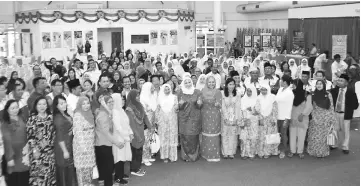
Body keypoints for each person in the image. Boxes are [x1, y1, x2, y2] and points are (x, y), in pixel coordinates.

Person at [27, 96, 56, 185]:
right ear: (36, 106)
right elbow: (30, 137)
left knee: (50, 176)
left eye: (44, 104)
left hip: (50, 152)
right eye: (39, 104)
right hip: (38, 153)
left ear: (47, 106)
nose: (42, 106)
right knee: (38, 177)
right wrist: (35, 150)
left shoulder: (51, 117)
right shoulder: (32, 119)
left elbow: (54, 133)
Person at [2, 100, 30, 186]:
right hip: (13, 154)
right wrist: (9, 158)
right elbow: (7, 141)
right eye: (12, 108)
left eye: (17, 107)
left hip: (24, 153)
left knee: (24, 177)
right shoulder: (5, 123)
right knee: (14, 179)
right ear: (7, 110)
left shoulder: (22, 118)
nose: (15, 110)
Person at [126, 90, 153, 177]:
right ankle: (134, 169)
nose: (138, 97)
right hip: (134, 133)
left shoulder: (139, 106)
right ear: (132, 97)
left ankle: (137, 167)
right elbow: (131, 125)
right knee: (135, 151)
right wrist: (137, 136)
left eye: (138, 95)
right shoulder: (129, 109)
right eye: (136, 96)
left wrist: (150, 126)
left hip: (141, 130)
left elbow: (145, 116)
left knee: (139, 150)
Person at [307, 80, 337, 158]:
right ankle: (313, 151)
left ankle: (322, 152)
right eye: (317, 84)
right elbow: (311, 107)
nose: (319, 85)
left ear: (324, 85)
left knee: (322, 137)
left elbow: (331, 107)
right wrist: (312, 116)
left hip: (325, 118)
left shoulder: (328, 94)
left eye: (320, 84)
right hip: (315, 117)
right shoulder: (313, 94)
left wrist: (332, 118)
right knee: (314, 136)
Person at [95, 95, 120, 186]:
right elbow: (106, 132)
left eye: (112, 101)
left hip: (102, 143)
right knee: (108, 166)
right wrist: (116, 142)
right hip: (103, 144)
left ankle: (104, 182)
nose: (112, 103)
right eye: (109, 102)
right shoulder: (103, 115)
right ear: (104, 104)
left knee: (104, 166)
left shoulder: (106, 112)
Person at [330, 74, 359, 154]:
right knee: (335, 129)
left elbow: (355, 105)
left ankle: (345, 146)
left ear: (346, 83)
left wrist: (348, 107)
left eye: (341, 81)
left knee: (345, 131)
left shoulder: (351, 92)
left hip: (345, 114)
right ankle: (334, 144)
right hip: (335, 113)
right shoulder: (334, 91)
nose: (339, 82)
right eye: (339, 80)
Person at [53, 95, 77, 186]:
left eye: (64, 102)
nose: (64, 105)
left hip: (69, 143)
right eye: (61, 103)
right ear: (56, 106)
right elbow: (59, 135)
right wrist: (64, 150)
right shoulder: (58, 118)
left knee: (69, 169)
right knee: (63, 169)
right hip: (62, 146)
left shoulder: (65, 114)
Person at [73, 96, 96, 186]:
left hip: (90, 144)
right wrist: (83, 148)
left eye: (88, 103)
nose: (86, 106)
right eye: (83, 104)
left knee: (89, 166)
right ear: (79, 105)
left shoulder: (90, 113)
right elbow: (78, 133)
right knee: (82, 168)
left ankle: (88, 183)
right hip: (81, 147)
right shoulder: (78, 115)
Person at [178, 77, 202, 162]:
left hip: (195, 118)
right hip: (184, 118)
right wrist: (180, 105)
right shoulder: (180, 93)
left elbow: (200, 106)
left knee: (194, 136)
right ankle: (185, 156)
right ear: (183, 84)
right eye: (186, 82)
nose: (188, 84)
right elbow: (178, 108)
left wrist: (199, 103)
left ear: (192, 82)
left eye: (189, 82)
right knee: (185, 136)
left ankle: (194, 155)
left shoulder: (197, 92)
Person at [111, 93, 132, 185]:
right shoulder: (114, 111)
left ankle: (121, 176)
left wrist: (130, 133)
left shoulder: (120, 110)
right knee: (119, 158)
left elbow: (127, 124)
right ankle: (118, 178)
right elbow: (118, 127)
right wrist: (126, 136)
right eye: (120, 99)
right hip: (119, 138)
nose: (122, 101)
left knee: (123, 158)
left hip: (124, 137)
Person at [200, 76, 222, 162]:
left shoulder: (218, 92)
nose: (211, 83)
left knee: (214, 134)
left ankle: (214, 155)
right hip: (205, 115)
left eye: (213, 82)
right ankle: (205, 154)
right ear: (206, 83)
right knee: (205, 134)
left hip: (214, 115)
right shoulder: (202, 91)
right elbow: (200, 103)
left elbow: (220, 104)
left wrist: (218, 104)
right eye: (209, 82)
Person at [289, 79, 312, 159]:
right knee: (292, 134)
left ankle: (300, 151)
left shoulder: (307, 94)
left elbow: (309, 106)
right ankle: (292, 151)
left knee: (302, 135)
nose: (293, 86)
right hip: (292, 116)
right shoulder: (291, 93)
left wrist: (303, 114)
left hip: (302, 117)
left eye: (294, 84)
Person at [156, 84, 178, 163]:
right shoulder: (159, 98)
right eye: (165, 90)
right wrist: (158, 120)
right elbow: (157, 110)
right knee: (164, 137)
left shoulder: (174, 97)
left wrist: (177, 107)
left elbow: (176, 107)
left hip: (172, 120)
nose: (167, 91)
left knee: (172, 136)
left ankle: (172, 156)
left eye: (168, 89)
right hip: (163, 121)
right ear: (162, 90)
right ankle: (164, 156)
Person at [255, 83, 279, 159]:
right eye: (262, 89)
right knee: (261, 136)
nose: (263, 91)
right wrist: (260, 119)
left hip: (270, 119)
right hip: (262, 119)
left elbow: (275, 110)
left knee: (270, 136)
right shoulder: (258, 98)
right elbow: (257, 110)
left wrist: (274, 119)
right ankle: (261, 152)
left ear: (268, 90)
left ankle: (268, 152)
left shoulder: (272, 97)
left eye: (265, 89)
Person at [275, 75, 294, 159]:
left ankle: (283, 150)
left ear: (285, 82)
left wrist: (287, 119)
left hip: (284, 117)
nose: (280, 82)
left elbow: (290, 107)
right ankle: (277, 148)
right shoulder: (280, 89)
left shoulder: (290, 93)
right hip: (277, 115)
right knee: (277, 134)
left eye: (281, 80)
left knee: (283, 134)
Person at [221, 78, 240, 159]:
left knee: (233, 135)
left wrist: (236, 118)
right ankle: (225, 152)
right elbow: (222, 106)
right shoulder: (222, 93)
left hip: (234, 117)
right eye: (230, 84)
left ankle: (231, 152)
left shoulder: (237, 94)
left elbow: (238, 107)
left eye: (233, 84)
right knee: (225, 134)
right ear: (226, 85)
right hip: (224, 117)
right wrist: (225, 118)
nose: (231, 86)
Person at [139, 82, 157, 166]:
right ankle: (144, 158)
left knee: (150, 139)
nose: (153, 89)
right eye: (151, 88)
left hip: (152, 122)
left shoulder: (152, 97)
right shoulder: (142, 99)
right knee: (145, 140)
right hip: (146, 123)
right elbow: (144, 112)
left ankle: (148, 155)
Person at [239, 85, 258, 159]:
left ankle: (251, 153)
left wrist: (252, 110)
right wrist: (242, 121)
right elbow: (240, 111)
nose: (249, 92)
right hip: (244, 120)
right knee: (244, 138)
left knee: (252, 138)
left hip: (253, 122)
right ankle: (244, 153)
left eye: (250, 91)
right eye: (247, 91)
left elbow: (258, 112)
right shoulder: (243, 99)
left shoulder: (256, 100)